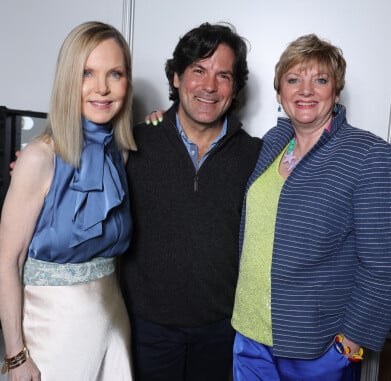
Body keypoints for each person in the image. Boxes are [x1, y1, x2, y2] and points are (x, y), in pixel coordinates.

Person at [230, 34, 391, 380]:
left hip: (316, 347)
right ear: (280, 94)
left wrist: (349, 344)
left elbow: (384, 268)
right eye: (294, 80)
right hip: (250, 334)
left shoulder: (369, 156)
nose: (306, 90)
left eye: (320, 80)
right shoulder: (272, 143)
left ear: (336, 91)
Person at [0, 21, 136, 381]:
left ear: (127, 83)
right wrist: (16, 356)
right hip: (52, 336)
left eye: (115, 74)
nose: (102, 88)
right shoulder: (38, 159)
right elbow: (8, 261)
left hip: (113, 327)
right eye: (87, 73)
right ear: (67, 80)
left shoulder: (119, 154)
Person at [120, 23, 262, 381]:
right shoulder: (134, 144)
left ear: (235, 88)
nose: (210, 86)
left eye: (223, 75)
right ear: (176, 78)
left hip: (223, 331)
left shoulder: (256, 155)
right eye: (198, 70)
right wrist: (37, 163)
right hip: (146, 330)